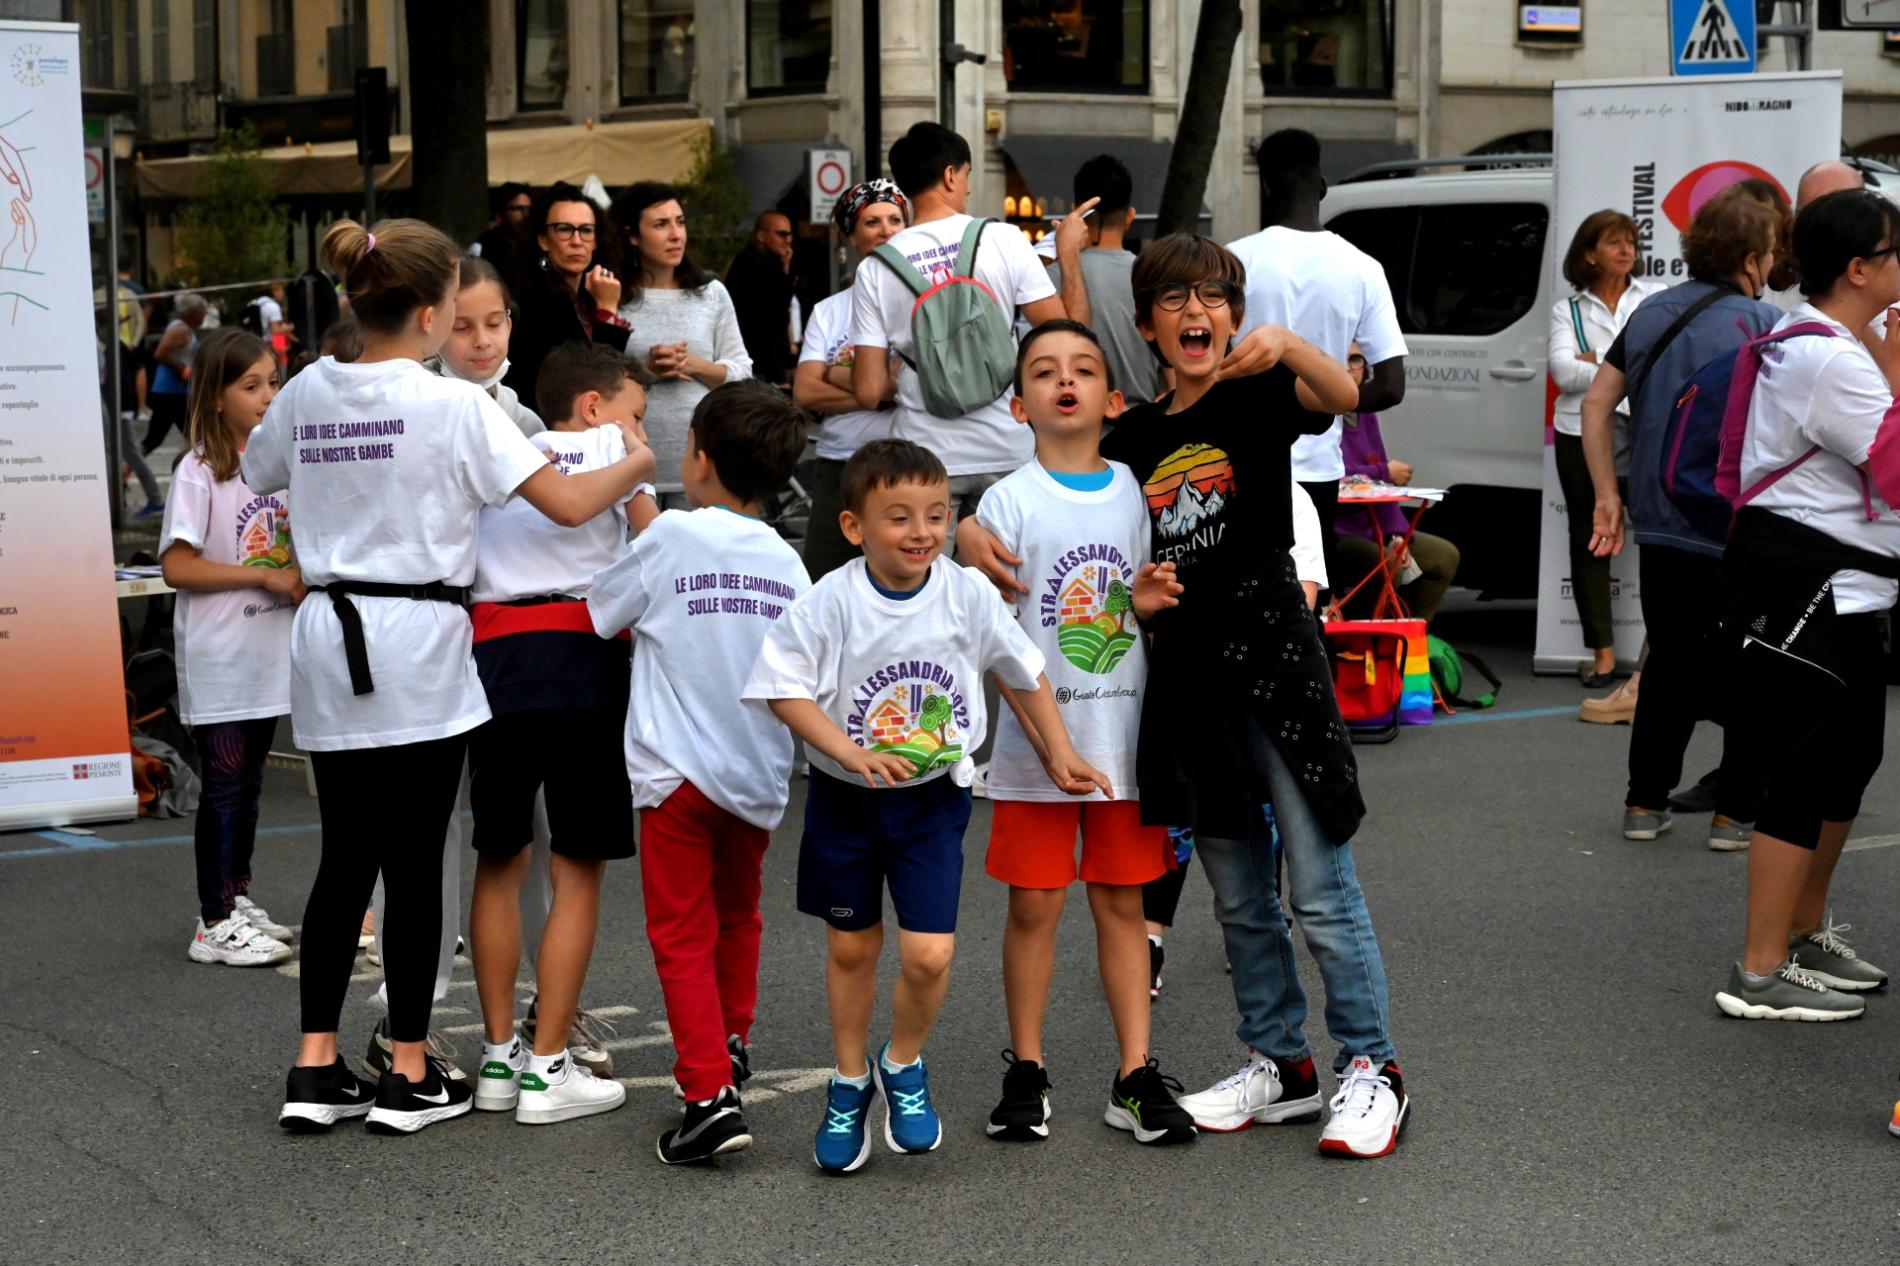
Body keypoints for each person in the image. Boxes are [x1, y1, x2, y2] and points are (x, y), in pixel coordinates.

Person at [248, 217, 655, 1137]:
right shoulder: (453, 405)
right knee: (413, 853)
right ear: (432, 313)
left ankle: (315, 1064)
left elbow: (258, 466)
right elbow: (564, 501)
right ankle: (407, 1070)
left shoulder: (311, 386)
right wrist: (633, 452)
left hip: (326, 629)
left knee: (344, 856)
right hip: (420, 631)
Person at [1096, 234, 1410, 1160]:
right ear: (1147, 322)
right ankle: (1281, 1063)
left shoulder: (1260, 394)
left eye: (1213, 298)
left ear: (1232, 313)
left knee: (1318, 884)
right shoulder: (1133, 440)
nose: (1195, 314)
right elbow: (1087, 529)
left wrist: (1286, 342)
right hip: (1190, 674)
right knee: (1237, 895)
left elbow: (1348, 396)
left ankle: (1373, 1067)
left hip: (1276, 651)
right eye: (1174, 300)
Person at [742, 438, 1109, 1174]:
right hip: (847, 802)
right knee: (851, 948)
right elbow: (782, 686)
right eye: (899, 517)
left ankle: (901, 1063)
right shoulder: (831, 600)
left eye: (937, 516)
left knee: (930, 952)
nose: (921, 532)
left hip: (932, 803)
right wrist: (846, 753)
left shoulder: (967, 593)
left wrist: (1061, 751)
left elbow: (1025, 667)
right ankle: (848, 1083)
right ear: (853, 527)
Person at [974, 320, 1197, 1147]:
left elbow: (1127, 604)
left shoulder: (1138, 489)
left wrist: (1137, 605)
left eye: (1081, 370)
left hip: (1122, 746)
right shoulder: (1006, 501)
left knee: (1122, 905)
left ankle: (1134, 1074)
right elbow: (999, 636)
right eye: (1042, 371)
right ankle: (1026, 1071)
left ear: (1113, 399)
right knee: (1033, 907)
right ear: (1018, 402)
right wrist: (1044, 742)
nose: (1062, 382)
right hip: (1037, 749)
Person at [589, 380, 812, 1165]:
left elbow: (602, 610)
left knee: (680, 934)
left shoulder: (672, 536)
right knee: (738, 916)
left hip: (675, 774)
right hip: (755, 777)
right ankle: (732, 1040)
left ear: (701, 459)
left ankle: (706, 1094)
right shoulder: (788, 563)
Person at [1707, 189, 1900, 1027]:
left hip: (1841, 588)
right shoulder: (1828, 358)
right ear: (1858, 269)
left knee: (1848, 763)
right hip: (1811, 589)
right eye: (1894, 252)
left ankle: (1802, 934)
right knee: (1803, 772)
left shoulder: (1820, 342)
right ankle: (1758, 971)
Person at [464, 341, 654, 1127]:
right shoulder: (617, 454)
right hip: (583, 655)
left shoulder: (503, 451)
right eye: (634, 411)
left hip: (494, 655)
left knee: (499, 857)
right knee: (576, 867)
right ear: (593, 408)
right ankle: (549, 1066)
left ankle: (500, 1058)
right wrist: (639, 462)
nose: (640, 428)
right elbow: (655, 552)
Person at [1582, 187, 1784, 850]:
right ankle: (1736, 816)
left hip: (1659, 515)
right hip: (1734, 524)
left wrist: (1607, 495)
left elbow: (1596, 403)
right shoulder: (1761, 324)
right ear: (1752, 258)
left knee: (1669, 658)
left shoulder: (1650, 312)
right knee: (1750, 663)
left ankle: (1644, 804)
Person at [846, 122, 1089, 545]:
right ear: (950, 176)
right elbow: (1067, 335)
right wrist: (1067, 253)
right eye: (968, 177)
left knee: (936, 593)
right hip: (1007, 450)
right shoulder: (1003, 239)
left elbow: (868, 391)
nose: (969, 190)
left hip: (927, 458)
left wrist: (907, 364)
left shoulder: (875, 268)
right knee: (1014, 584)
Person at [1141, 479, 1327, 997]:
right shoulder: (1162, 488)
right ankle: (1148, 939)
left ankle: (1261, 927)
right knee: (1176, 814)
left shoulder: (1289, 495)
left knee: (1262, 811)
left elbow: (1305, 597)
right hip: (1185, 675)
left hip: (1261, 680)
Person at [159, 328, 301, 969]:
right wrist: (263, 575)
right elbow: (178, 567)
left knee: (246, 788)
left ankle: (233, 896)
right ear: (216, 397)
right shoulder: (199, 469)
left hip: (268, 653)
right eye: (251, 386)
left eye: (273, 381)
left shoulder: (280, 463)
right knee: (224, 787)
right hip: (222, 656)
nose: (268, 396)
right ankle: (212, 921)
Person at [1226, 129, 1407, 593]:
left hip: (1242, 460)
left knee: (1241, 599)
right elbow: (1390, 387)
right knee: (1311, 609)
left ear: (1265, 186)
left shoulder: (1234, 261)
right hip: (1319, 469)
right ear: (1321, 185)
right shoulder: (1364, 267)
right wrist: (1321, 402)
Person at [1549, 211, 1664, 684]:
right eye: (1614, 242)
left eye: (1632, 242)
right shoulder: (1567, 310)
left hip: (1643, 432)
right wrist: (1619, 364)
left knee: (1659, 539)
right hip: (1580, 433)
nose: (1626, 250)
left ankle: (1655, 662)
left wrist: (1595, 361)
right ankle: (1603, 655)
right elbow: (1561, 372)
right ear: (1589, 253)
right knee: (1590, 538)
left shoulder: (1652, 299)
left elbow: (1657, 359)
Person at [794, 180, 909, 579]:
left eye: (895, 219)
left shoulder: (923, 303)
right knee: (824, 579)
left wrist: (834, 373)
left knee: (898, 580)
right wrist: (874, 392)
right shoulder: (829, 310)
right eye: (872, 222)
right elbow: (805, 390)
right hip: (840, 463)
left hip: (905, 462)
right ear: (851, 236)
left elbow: (910, 384)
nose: (886, 230)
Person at [613, 181, 754, 504]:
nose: (676, 234)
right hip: (628, 465)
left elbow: (743, 371)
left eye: (680, 222)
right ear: (632, 235)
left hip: (701, 464)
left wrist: (696, 365)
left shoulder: (711, 293)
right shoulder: (614, 295)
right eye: (661, 225)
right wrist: (645, 372)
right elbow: (595, 379)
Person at [1334, 353, 1462, 624]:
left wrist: (1397, 534)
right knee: (1386, 564)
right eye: (1340, 357)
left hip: (1375, 526)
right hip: (1336, 529)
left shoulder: (1365, 412)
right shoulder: (1318, 411)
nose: (1348, 367)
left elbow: (1382, 485)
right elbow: (1333, 475)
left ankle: (1406, 640)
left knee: (1445, 556)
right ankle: (1355, 637)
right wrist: (1384, 472)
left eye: (1355, 359)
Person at [1042, 154, 1165, 406]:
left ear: (1077, 211)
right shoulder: (1154, 277)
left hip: (1074, 425)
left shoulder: (1050, 278)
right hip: (1144, 423)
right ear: (1130, 217)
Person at [502, 182, 631, 413]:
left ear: (596, 241)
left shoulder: (590, 295)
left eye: (586, 230)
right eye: (564, 229)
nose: (577, 240)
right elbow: (596, 378)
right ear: (543, 240)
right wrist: (607, 309)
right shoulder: (532, 301)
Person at [430, 255, 544, 436]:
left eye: (494, 323)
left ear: (509, 325)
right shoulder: (417, 408)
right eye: (462, 327)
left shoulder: (526, 424)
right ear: (433, 330)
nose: (482, 341)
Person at [725, 209, 800, 386]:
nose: (788, 240)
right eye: (782, 234)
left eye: (790, 234)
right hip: (758, 366)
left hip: (760, 363)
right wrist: (778, 374)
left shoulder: (768, 262)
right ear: (761, 236)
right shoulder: (755, 265)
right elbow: (767, 323)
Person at [144, 292, 207, 454]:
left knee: (158, 438)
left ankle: (123, 472)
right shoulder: (179, 330)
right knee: (197, 437)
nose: (205, 314)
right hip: (170, 393)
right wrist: (183, 371)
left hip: (176, 392)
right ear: (192, 312)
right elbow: (160, 353)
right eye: (202, 310)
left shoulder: (185, 329)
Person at [473, 181, 533, 276]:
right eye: (518, 209)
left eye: (529, 209)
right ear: (499, 214)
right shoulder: (483, 248)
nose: (526, 214)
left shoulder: (536, 244)